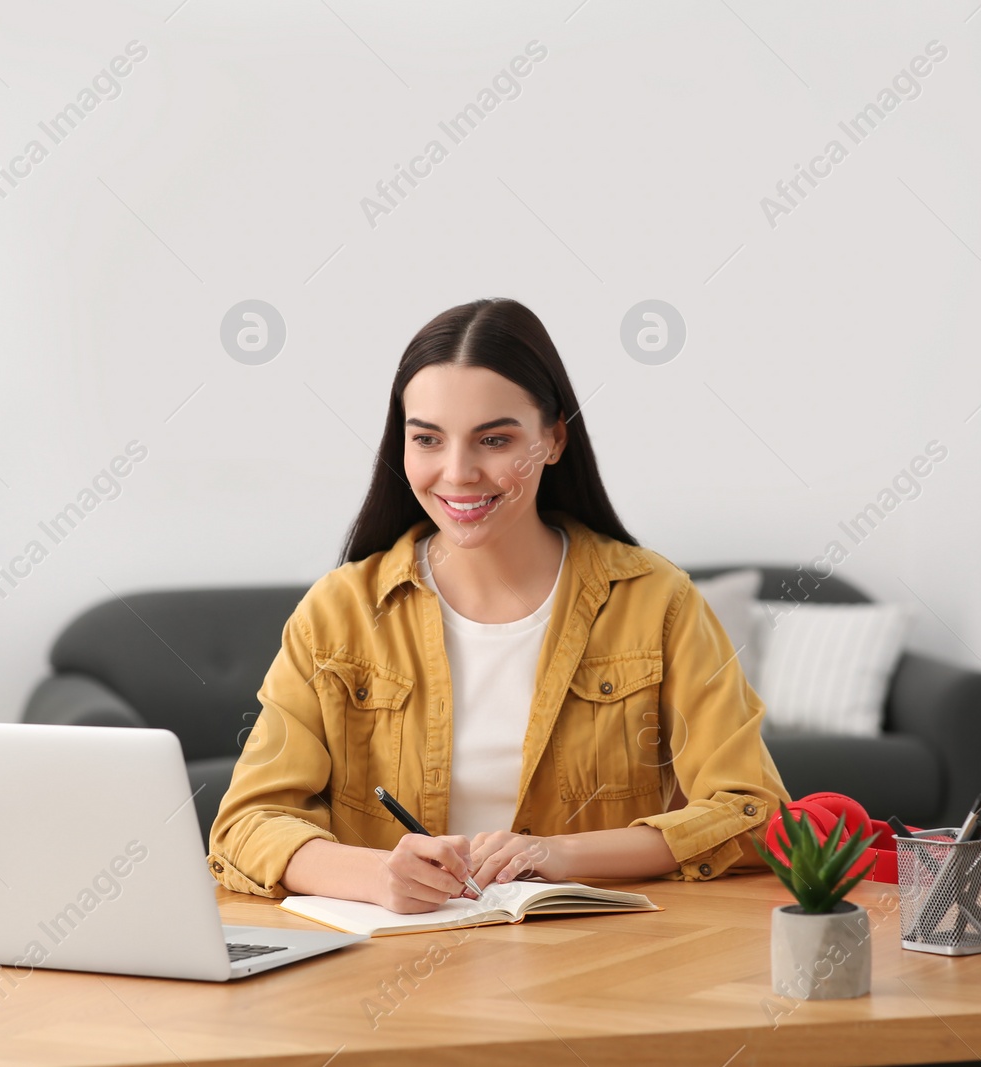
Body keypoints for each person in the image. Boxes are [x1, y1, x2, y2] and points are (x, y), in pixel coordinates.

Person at [206, 297, 790, 913]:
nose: (457, 473)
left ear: (554, 440)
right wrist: (376, 875)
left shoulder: (655, 600)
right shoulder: (339, 612)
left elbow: (753, 811)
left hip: (599, 965)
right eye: (427, 440)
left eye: (494, 439)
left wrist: (559, 855)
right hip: (386, 974)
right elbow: (248, 823)